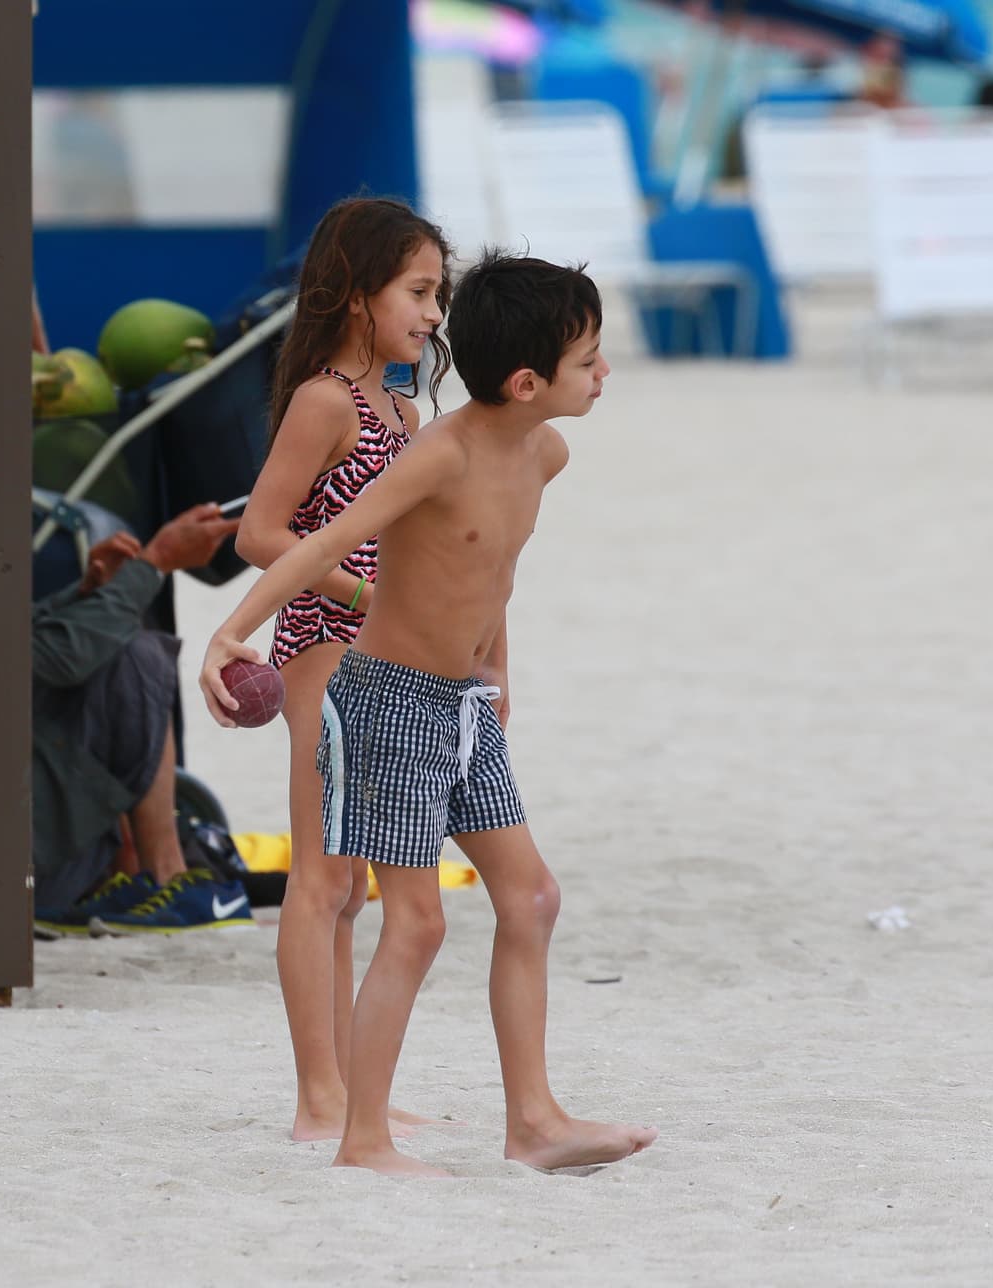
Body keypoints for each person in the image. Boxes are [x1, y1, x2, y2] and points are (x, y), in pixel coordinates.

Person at [200, 250, 657, 1176]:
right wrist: (228, 633)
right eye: (590, 361)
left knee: (531, 898)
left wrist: (497, 669)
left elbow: (497, 572)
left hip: (465, 708)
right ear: (528, 381)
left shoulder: (547, 450)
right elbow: (316, 543)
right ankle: (361, 1138)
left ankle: (533, 1123)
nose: (605, 374)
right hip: (386, 704)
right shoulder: (436, 455)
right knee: (417, 922)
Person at [233, 196, 453, 1142]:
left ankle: (349, 1087)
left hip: (382, 660)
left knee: (351, 884)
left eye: (439, 295)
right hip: (324, 645)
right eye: (418, 291)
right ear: (357, 295)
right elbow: (258, 532)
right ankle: (316, 1097)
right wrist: (365, 595)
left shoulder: (400, 407)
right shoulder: (329, 399)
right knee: (322, 880)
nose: (435, 314)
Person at [33, 503, 251, 936]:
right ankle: (166, 875)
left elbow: (9, 637)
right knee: (138, 658)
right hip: (20, 863)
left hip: (25, 841)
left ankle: (136, 877)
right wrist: (155, 563)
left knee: (118, 639)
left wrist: (84, 594)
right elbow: (57, 658)